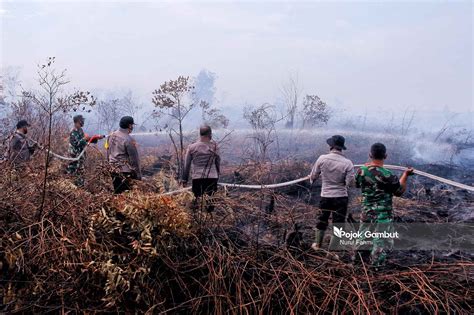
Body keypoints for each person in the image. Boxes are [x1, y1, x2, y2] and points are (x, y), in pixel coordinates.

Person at [355, 143, 414, 267]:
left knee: (363, 238)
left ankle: (358, 264)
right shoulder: (388, 175)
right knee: (380, 241)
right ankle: (375, 268)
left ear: (370, 155)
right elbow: (399, 192)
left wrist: (365, 169)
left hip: (366, 212)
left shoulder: (361, 170)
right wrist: (405, 175)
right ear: (385, 156)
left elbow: (356, 183)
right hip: (383, 215)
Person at [309, 135, 355, 251]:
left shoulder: (322, 159)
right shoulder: (348, 163)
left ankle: (317, 245)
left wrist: (311, 178)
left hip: (326, 196)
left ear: (331, 146)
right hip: (341, 198)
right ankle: (333, 250)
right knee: (338, 224)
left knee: (322, 220)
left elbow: (314, 176)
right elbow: (350, 182)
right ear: (341, 148)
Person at [181, 125, 220, 212]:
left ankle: (200, 222)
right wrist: (218, 175)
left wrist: (184, 180)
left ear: (200, 134)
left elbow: (186, 165)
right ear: (210, 134)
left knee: (198, 204)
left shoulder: (191, 147)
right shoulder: (215, 147)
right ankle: (209, 221)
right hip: (212, 178)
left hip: (197, 178)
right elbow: (218, 162)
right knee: (210, 204)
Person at [106, 116, 141, 194]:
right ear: (129, 126)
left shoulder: (111, 135)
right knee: (125, 195)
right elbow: (134, 159)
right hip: (124, 171)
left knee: (117, 193)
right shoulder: (129, 140)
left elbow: (108, 152)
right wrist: (138, 175)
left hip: (113, 169)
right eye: (132, 125)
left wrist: (109, 164)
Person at [66, 115, 104, 186]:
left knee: (80, 171)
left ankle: (80, 187)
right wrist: (85, 139)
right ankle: (68, 186)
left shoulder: (80, 130)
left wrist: (96, 138)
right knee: (72, 169)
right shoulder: (73, 132)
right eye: (81, 120)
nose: (82, 122)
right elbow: (76, 144)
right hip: (74, 156)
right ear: (77, 122)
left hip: (80, 156)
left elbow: (86, 139)